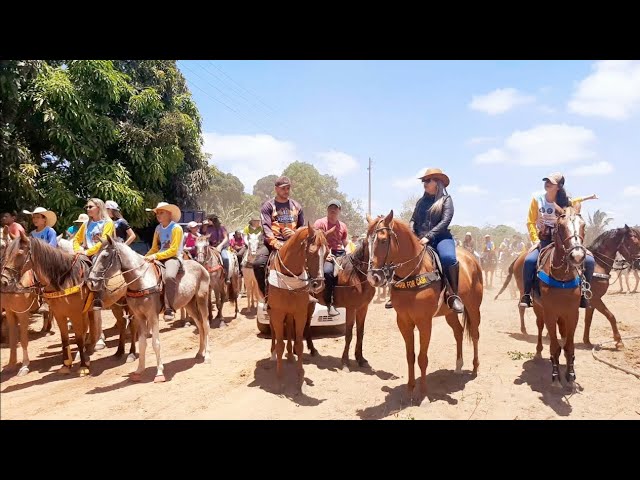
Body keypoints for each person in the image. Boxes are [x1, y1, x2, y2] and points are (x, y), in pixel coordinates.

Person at [519, 172, 597, 309]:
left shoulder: (565, 202)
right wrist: (535, 239)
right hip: (543, 239)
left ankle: (584, 293)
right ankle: (526, 294)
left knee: (589, 261)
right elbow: (530, 221)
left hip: (563, 240)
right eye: (546, 181)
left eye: (551, 182)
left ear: (559, 187)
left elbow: (576, 203)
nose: (547, 184)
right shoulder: (537, 199)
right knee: (529, 260)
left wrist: (589, 197)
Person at [405, 167, 464, 314]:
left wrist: (429, 236)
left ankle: (453, 296)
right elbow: (413, 219)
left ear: (437, 182)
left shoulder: (446, 200)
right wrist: (411, 231)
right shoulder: (420, 202)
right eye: (424, 180)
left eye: (428, 180)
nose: (425, 182)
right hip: (419, 239)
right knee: (400, 254)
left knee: (448, 258)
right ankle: (397, 291)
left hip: (440, 238)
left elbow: (445, 221)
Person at [252, 176, 306, 301]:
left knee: (313, 260)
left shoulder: (297, 206)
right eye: (283, 188)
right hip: (273, 244)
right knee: (258, 264)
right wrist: (276, 243)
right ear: (276, 189)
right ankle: (266, 295)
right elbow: (266, 227)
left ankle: (311, 294)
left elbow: (302, 228)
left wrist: (294, 234)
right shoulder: (268, 206)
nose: (286, 191)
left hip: (293, 244)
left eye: (288, 188)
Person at [73, 198, 115, 311]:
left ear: (99, 208)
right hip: (86, 252)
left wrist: (86, 252)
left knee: (97, 266)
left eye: (90, 207)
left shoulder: (108, 223)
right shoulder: (87, 223)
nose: (88, 209)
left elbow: (104, 242)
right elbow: (76, 239)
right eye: (87, 207)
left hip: (103, 252)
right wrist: (78, 250)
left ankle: (98, 297)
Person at [144, 202, 184, 321]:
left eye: (161, 212)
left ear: (169, 214)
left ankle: (169, 308)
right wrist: (145, 257)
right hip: (159, 256)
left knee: (169, 277)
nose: (158, 215)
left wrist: (155, 256)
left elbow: (173, 250)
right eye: (157, 213)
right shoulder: (158, 228)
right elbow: (154, 248)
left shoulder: (176, 228)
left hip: (173, 258)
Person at [314, 199, 349, 316]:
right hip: (325, 253)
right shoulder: (320, 223)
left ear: (339, 210)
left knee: (351, 272)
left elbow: (345, 243)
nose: (333, 210)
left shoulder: (343, 226)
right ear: (327, 209)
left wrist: (349, 253)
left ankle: (350, 300)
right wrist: (326, 253)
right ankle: (330, 304)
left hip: (340, 253)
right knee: (328, 272)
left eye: (335, 208)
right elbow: (316, 241)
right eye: (330, 207)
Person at [202, 214, 231, 284]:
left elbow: (226, 238)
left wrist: (220, 245)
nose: (208, 221)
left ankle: (227, 276)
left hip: (221, 247)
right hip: (212, 246)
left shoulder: (221, 227)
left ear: (213, 220)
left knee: (225, 258)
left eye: (209, 220)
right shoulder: (208, 228)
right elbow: (206, 237)